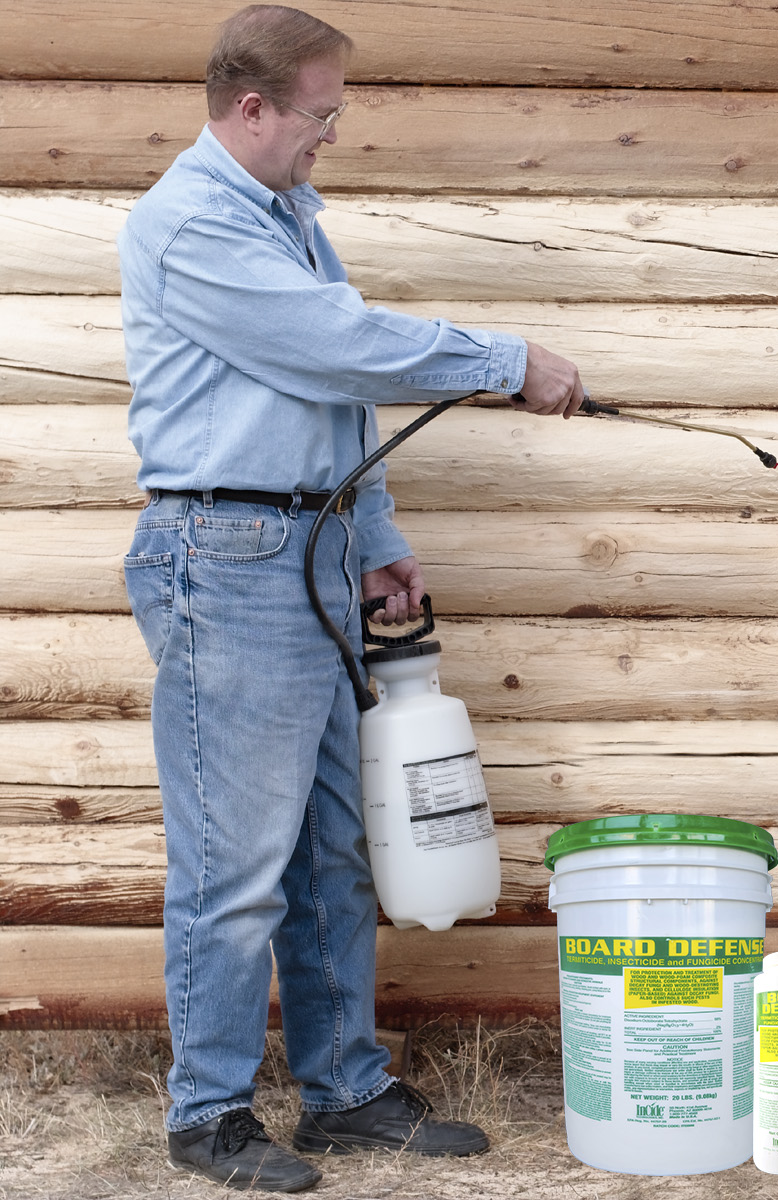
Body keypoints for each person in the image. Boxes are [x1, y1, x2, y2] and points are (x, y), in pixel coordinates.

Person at [116, 5, 585, 1191]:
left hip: (307, 547)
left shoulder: (286, 218)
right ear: (253, 106)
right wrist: (505, 360)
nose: (333, 133)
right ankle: (209, 1115)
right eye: (320, 114)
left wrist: (372, 537)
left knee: (331, 843)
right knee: (236, 861)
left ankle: (345, 1091)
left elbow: (330, 399)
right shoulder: (193, 222)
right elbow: (333, 347)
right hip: (226, 557)